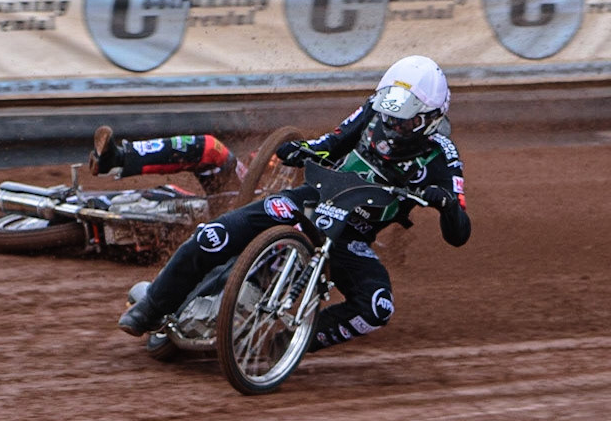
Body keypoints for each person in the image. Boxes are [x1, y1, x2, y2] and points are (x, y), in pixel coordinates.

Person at [117, 55, 471, 352]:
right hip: (312, 200)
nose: (392, 126)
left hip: (352, 237)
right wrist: (301, 150)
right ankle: (152, 307)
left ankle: (287, 345)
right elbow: (330, 143)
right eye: (390, 113)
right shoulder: (373, 112)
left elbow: (459, 234)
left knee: (377, 306)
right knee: (215, 234)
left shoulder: (443, 156)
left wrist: (447, 205)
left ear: (431, 119)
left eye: (405, 120)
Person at [88, 126, 246, 196]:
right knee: (171, 198)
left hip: (249, 204)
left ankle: (118, 158)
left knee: (212, 148)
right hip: (234, 194)